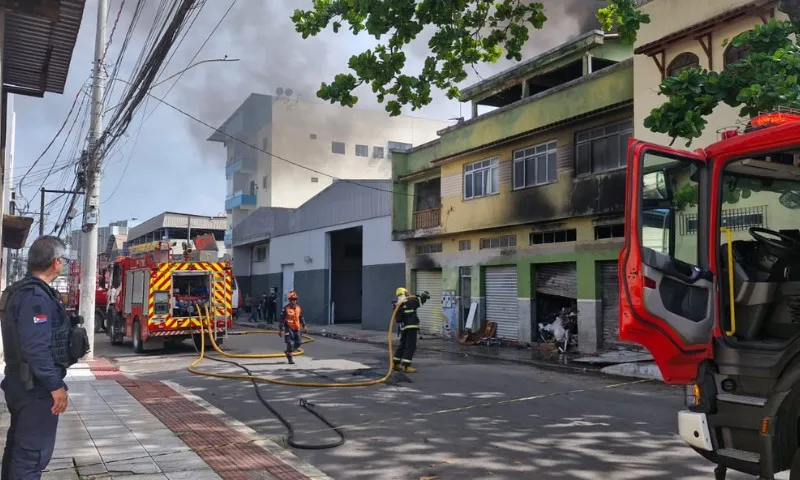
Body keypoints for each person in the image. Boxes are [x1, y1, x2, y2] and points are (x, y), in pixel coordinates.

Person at [0, 236, 72, 479]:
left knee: (18, 450)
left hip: (22, 383)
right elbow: (35, 348)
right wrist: (55, 386)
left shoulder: (21, 291)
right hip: (34, 388)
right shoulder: (35, 296)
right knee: (31, 457)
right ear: (56, 262)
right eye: (63, 259)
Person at [392, 287, 430, 373]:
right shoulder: (411, 301)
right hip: (411, 327)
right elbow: (421, 300)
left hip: (403, 328)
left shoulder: (397, 305)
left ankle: (395, 364)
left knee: (402, 345)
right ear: (405, 293)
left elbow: (398, 319)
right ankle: (406, 366)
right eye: (407, 293)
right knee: (410, 346)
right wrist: (425, 295)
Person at [278, 291, 308, 364]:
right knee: (290, 343)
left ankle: (288, 352)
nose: (293, 301)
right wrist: (281, 330)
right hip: (289, 328)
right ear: (289, 300)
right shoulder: (285, 309)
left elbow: (301, 317)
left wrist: (304, 326)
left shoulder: (298, 308)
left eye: (295, 299)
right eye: (292, 299)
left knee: (298, 343)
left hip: (297, 328)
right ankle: (290, 358)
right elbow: (282, 320)